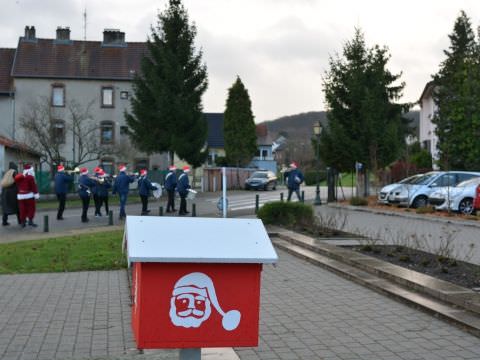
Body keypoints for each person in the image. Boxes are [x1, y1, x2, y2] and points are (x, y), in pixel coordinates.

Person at [1, 162, 19, 226]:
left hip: (4, 193)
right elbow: (17, 181)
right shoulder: (14, 172)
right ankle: (20, 221)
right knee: (17, 207)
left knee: (5, 209)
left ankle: (4, 222)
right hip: (12, 193)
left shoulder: (7, 173)